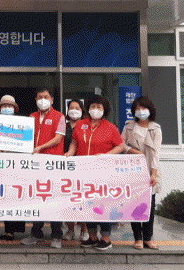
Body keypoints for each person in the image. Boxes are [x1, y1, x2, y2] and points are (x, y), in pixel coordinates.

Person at [66, 94, 126, 251]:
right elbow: (74, 142)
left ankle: (106, 238)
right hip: (83, 172)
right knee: (87, 203)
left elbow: (120, 146)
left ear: (104, 109)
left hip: (103, 173)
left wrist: (106, 155)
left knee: (103, 204)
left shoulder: (110, 127)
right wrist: (70, 153)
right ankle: (92, 237)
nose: (95, 109)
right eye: (93, 106)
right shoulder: (81, 125)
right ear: (88, 108)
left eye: (99, 107)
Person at [21, 88, 65, 248]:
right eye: (40, 97)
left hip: (52, 163)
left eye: (46, 97)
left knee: (54, 199)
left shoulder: (59, 116)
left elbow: (58, 138)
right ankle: (36, 233)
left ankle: (57, 236)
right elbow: (24, 138)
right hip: (35, 164)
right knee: (37, 198)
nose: (43, 100)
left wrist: (40, 147)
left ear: (52, 100)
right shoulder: (31, 117)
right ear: (35, 100)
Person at [122, 96, 162, 250]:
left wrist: (154, 174)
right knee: (135, 204)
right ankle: (137, 238)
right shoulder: (129, 126)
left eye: (143, 108)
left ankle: (148, 238)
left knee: (149, 205)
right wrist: (134, 152)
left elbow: (156, 153)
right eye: (137, 108)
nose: (140, 111)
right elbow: (121, 144)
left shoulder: (155, 129)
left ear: (150, 110)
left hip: (150, 170)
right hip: (133, 170)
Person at [0, 94, 27, 241]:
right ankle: (8, 230)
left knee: (16, 197)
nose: (7, 108)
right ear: (0, 108)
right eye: (4, 106)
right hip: (0, 166)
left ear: (14, 109)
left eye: (9, 106)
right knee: (4, 198)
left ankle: (15, 229)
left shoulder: (22, 124)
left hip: (18, 166)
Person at [62, 99, 89, 242]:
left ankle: (84, 229)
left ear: (82, 110)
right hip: (66, 166)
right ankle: (70, 229)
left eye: (77, 108)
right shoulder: (64, 125)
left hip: (83, 166)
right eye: (71, 108)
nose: (73, 110)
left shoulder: (86, 125)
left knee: (81, 199)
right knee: (68, 199)